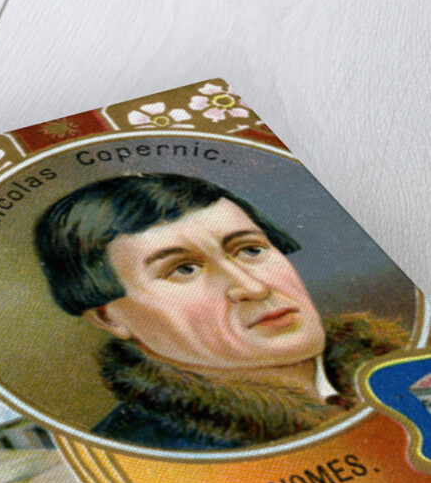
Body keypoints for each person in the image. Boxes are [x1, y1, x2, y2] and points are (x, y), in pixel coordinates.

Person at [34, 173, 409, 450]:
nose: (253, 288)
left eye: (250, 249)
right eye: (183, 269)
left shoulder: (406, 361)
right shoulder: (143, 454)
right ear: (109, 317)